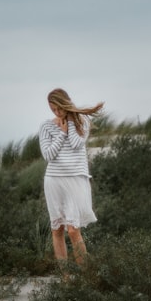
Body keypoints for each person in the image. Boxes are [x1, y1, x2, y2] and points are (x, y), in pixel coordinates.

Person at [38, 88, 105, 265]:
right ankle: (65, 278)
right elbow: (48, 155)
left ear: (65, 104)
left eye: (59, 108)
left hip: (76, 178)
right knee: (57, 229)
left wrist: (69, 122)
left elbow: (76, 143)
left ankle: (85, 276)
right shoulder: (46, 126)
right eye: (53, 110)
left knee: (73, 230)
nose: (56, 113)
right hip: (54, 180)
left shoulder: (82, 120)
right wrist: (60, 133)